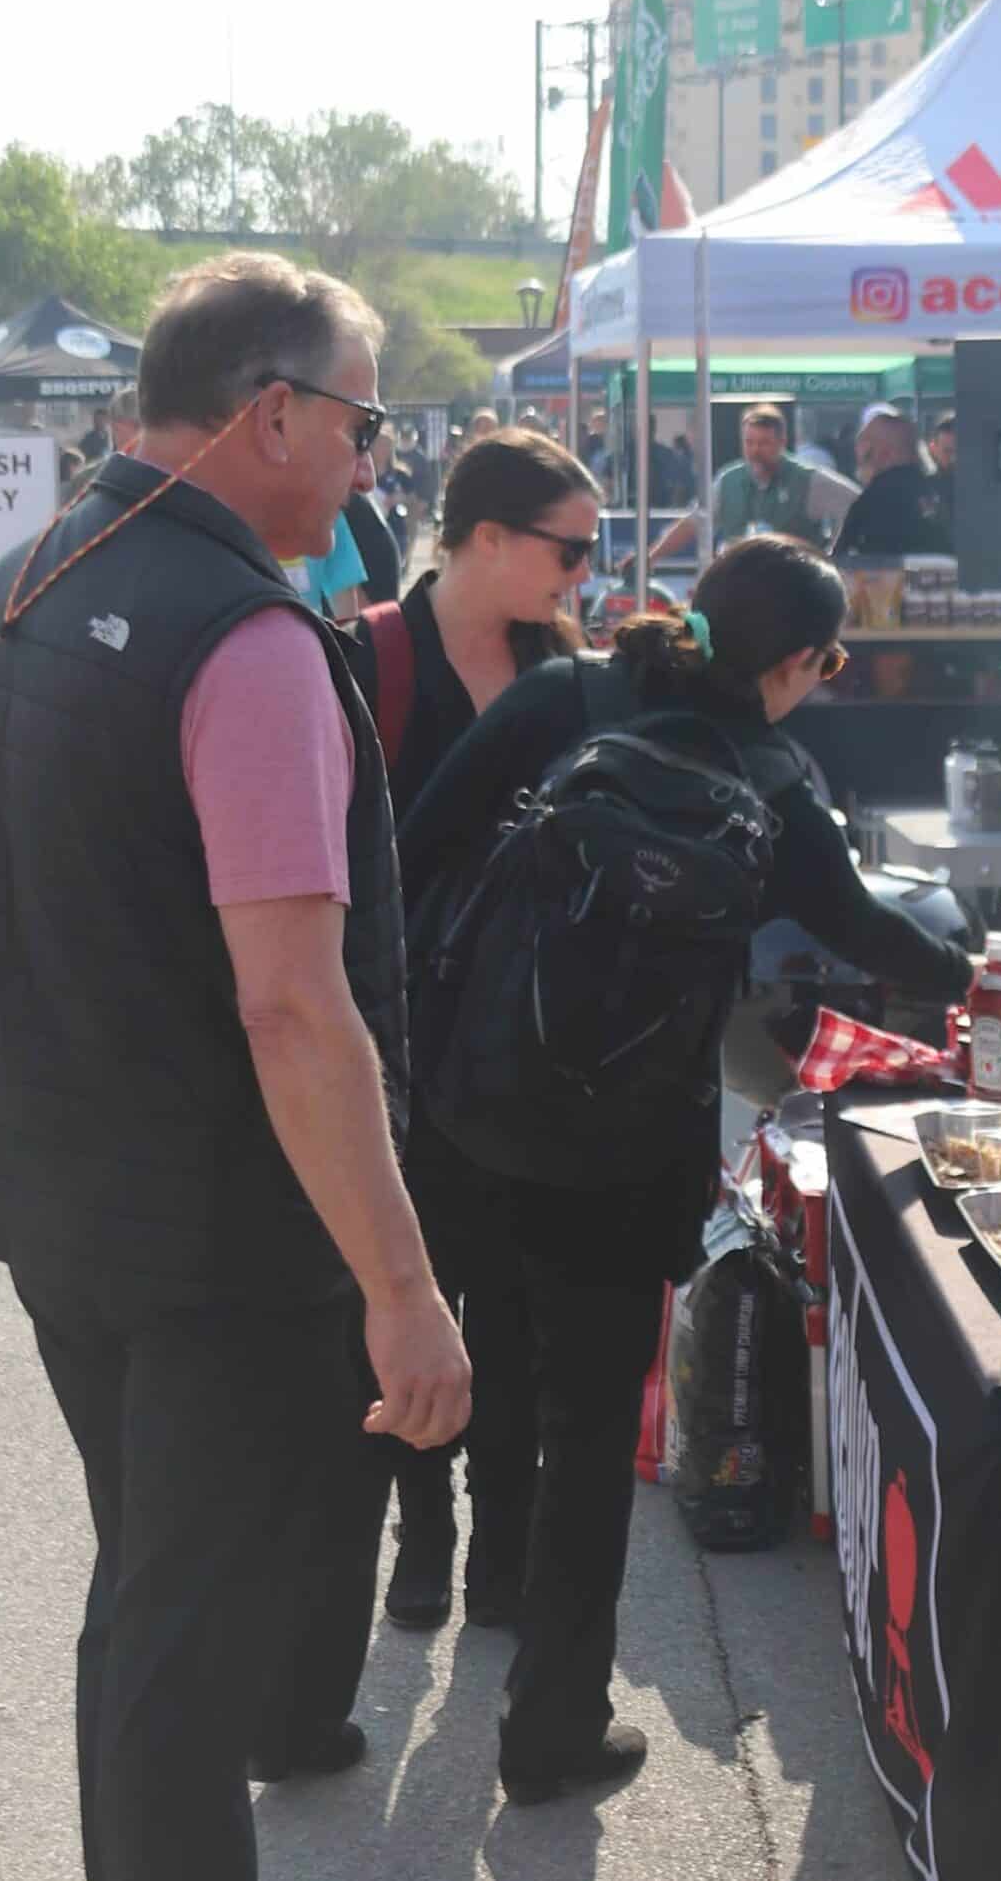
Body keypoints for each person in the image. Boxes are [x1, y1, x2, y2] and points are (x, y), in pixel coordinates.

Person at [0, 250, 470, 1880]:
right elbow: (295, 1009)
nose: (377, 464)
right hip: (209, 1233)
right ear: (275, 411)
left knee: (153, 1593)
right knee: (178, 1628)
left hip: (56, 1199)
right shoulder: (243, 636)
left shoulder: (24, 573)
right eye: (366, 424)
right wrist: (403, 1282)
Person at [397, 536, 975, 1803]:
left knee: (469, 1334)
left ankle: (464, 1577)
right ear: (794, 664)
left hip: (469, 1100)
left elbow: (412, 840)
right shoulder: (773, 776)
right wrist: (972, 971)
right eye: (825, 662)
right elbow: (869, 931)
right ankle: (550, 1726)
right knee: (591, 1432)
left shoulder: (565, 697)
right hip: (624, 1148)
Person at [337, 427, 597, 1635]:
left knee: (518, 1315)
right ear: (486, 536)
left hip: (536, 1053)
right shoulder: (372, 657)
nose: (581, 575)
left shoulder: (570, 663)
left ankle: (500, 1553)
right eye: (569, 548)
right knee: (412, 1299)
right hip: (405, 1053)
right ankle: (421, 1538)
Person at [645, 403, 825, 565]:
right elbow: (694, 522)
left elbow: (852, 504)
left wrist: (834, 554)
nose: (756, 450)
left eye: (764, 443)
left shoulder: (808, 479)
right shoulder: (727, 480)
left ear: (782, 442)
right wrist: (651, 557)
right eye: (749, 443)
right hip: (740, 586)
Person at [833, 404, 946, 560]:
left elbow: (840, 558)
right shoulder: (937, 492)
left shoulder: (872, 500)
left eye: (865, 447)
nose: (858, 456)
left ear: (885, 453)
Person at [924, 411, 958, 540]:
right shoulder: (923, 489)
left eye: (959, 451)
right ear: (933, 449)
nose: (954, 458)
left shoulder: (977, 489)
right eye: (948, 451)